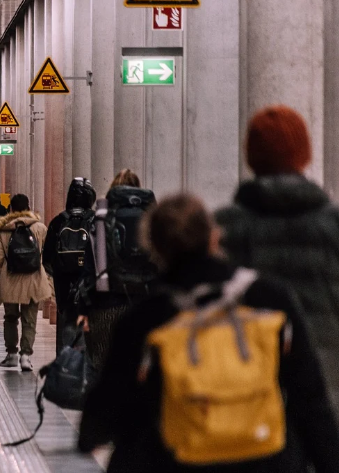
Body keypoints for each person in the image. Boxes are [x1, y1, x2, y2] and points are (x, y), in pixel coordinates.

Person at [79, 193, 339, 473]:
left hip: (174, 461)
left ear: (153, 247)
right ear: (214, 236)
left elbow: (100, 418)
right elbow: (311, 399)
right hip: (266, 460)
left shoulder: (145, 318)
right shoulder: (270, 298)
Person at [217, 105, 339, 418]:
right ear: (305, 155)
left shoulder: (225, 228)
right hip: (325, 383)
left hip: (245, 385)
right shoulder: (332, 226)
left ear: (251, 157)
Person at [79, 169, 156, 377]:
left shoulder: (101, 220)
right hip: (146, 306)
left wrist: (83, 308)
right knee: (142, 370)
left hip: (106, 305)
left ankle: (109, 408)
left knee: (104, 369)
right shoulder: (154, 220)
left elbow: (90, 266)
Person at [0, 194, 53, 371]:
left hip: (9, 280)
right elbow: (46, 255)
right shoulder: (40, 228)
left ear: (10, 209)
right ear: (28, 207)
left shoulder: (3, 230)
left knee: (10, 318)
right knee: (30, 319)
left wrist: (6, 267)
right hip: (34, 279)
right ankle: (25, 356)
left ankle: (11, 354)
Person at [42, 177, 97, 355]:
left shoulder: (59, 221)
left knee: (66, 323)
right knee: (89, 326)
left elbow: (47, 258)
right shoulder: (95, 221)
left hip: (63, 285)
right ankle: (85, 368)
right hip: (90, 285)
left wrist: (60, 272)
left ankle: (65, 366)